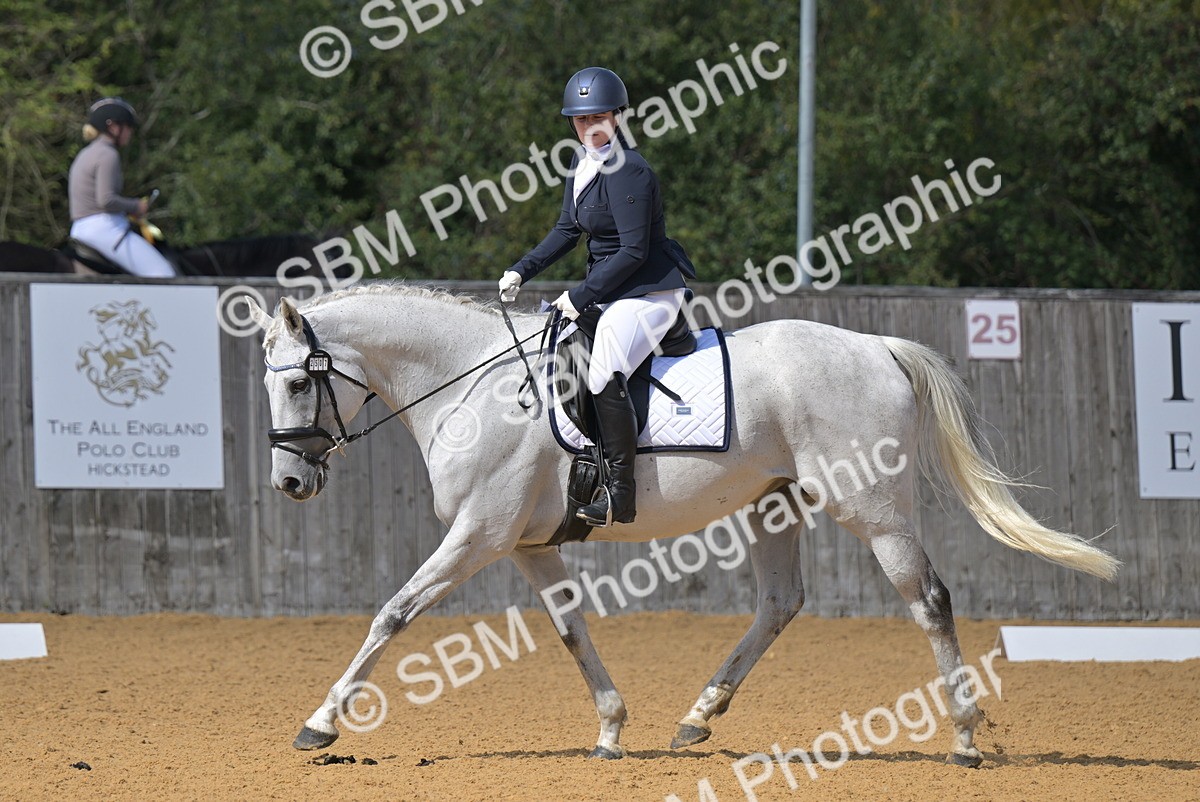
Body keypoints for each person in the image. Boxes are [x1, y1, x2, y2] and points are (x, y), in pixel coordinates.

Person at [498, 67, 696, 527]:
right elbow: (568, 229)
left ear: (619, 117)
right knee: (563, 353)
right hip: (612, 290)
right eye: (582, 119)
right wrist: (521, 269)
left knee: (604, 364)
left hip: (650, 291)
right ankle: (587, 460)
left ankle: (620, 494)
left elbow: (633, 251)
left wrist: (580, 294)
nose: (591, 127)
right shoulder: (580, 162)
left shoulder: (631, 170)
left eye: (600, 117)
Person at [68, 97, 175, 278]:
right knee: (163, 273)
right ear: (113, 127)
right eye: (127, 127)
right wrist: (136, 206)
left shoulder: (85, 153)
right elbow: (106, 200)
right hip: (103, 228)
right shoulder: (108, 154)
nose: (130, 133)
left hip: (80, 227)